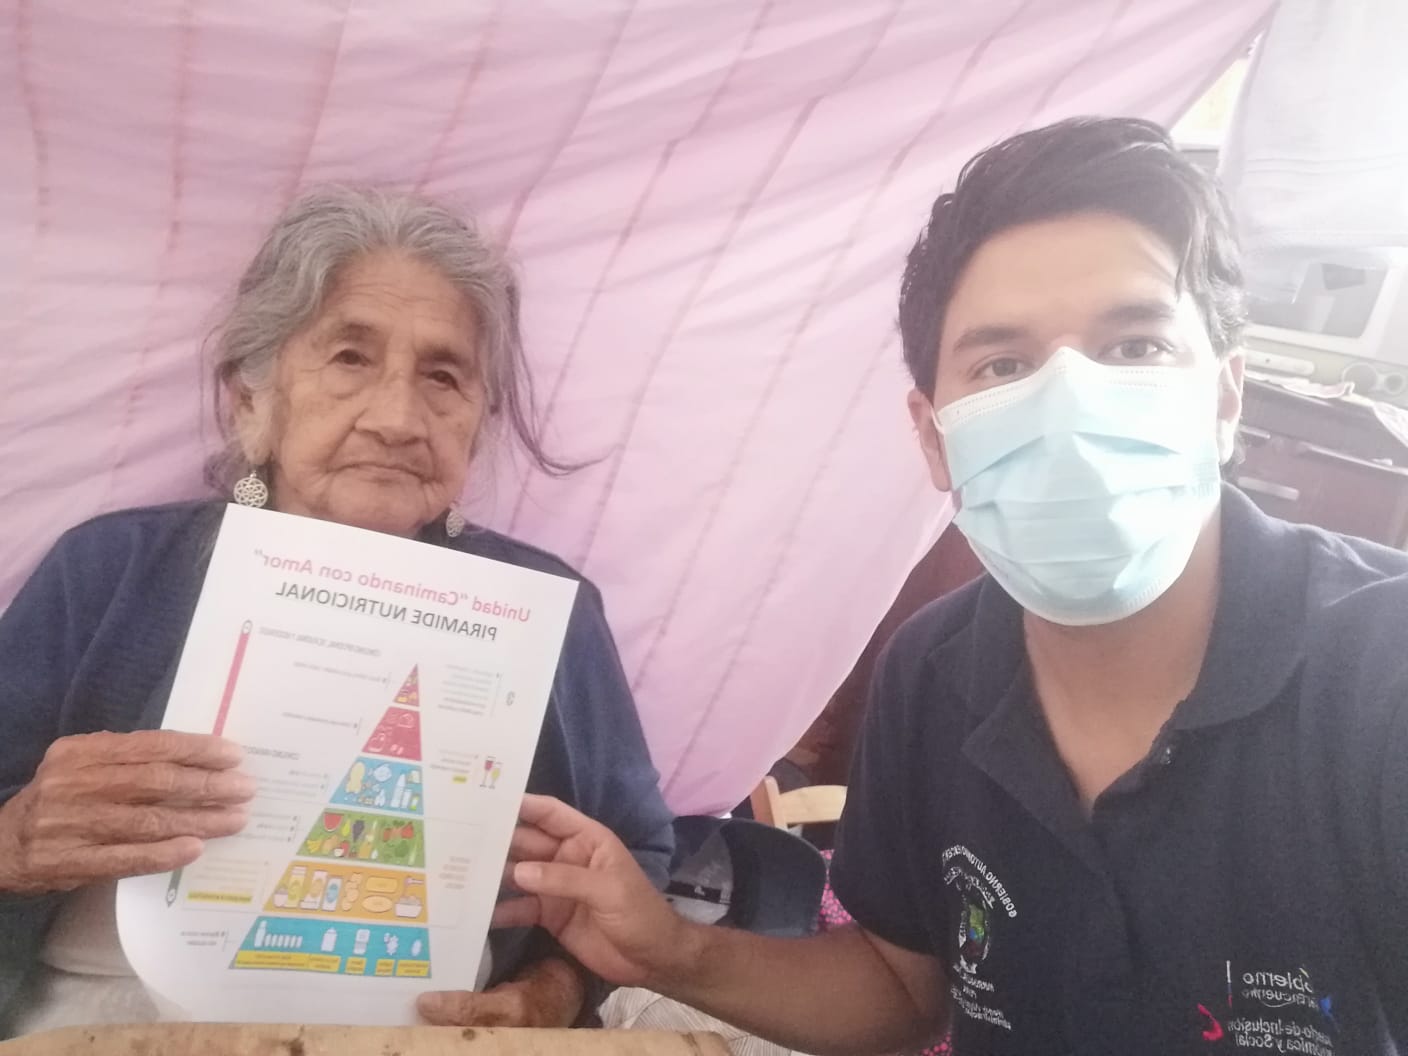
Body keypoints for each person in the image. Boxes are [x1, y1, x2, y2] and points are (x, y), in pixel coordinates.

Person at [494, 118, 1408, 1055]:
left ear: (1224, 397)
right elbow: (901, 991)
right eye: (1004, 365)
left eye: (1134, 346)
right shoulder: (931, 674)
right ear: (934, 437)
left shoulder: (1380, 677)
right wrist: (669, 948)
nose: (1069, 404)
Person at [0, 186, 672, 1036]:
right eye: (350, 358)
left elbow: (638, 856)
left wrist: (554, 990)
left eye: (444, 376)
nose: (397, 419)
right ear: (251, 401)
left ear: (478, 421)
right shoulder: (110, 572)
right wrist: (15, 838)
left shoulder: (547, 615)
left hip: (431, 1034)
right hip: (103, 1026)